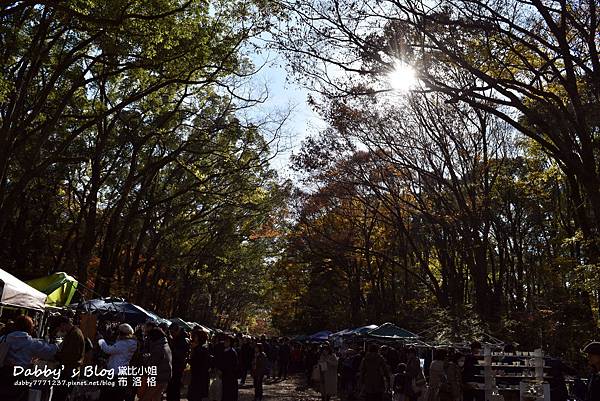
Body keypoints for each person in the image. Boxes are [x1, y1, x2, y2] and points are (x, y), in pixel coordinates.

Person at [0, 315, 58, 401]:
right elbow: (51, 351)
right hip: (20, 377)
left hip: (3, 375)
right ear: (29, 327)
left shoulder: (3, 339)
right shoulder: (32, 343)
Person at [98, 323, 138, 401]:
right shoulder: (132, 343)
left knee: (109, 394)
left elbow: (108, 350)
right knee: (118, 394)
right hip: (123, 370)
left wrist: (101, 340)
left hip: (115, 371)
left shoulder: (123, 343)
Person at [53, 316, 86, 401]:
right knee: (63, 394)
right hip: (69, 369)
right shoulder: (72, 332)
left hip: (70, 370)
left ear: (63, 324)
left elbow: (69, 355)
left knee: (62, 395)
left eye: (60, 327)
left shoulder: (75, 334)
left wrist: (57, 356)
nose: (60, 330)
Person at [139, 327, 172, 401]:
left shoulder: (158, 348)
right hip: (165, 376)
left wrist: (145, 358)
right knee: (156, 398)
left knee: (145, 398)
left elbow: (152, 364)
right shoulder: (165, 344)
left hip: (157, 377)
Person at [167, 323, 190, 401]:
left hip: (177, 368)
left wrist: (171, 346)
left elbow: (180, 355)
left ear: (177, 331)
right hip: (174, 367)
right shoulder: (178, 338)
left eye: (172, 332)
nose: (171, 335)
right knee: (171, 389)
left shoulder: (183, 340)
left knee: (174, 390)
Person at [188, 330, 213, 401]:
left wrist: (189, 358)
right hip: (200, 377)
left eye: (195, 336)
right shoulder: (203, 349)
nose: (193, 338)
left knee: (194, 396)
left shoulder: (200, 350)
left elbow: (195, 363)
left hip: (198, 377)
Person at [220, 335, 240, 401]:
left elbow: (233, 366)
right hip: (225, 376)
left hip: (230, 377)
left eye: (227, 341)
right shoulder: (224, 351)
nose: (225, 342)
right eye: (225, 341)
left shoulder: (232, 352)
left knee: (229, 394)